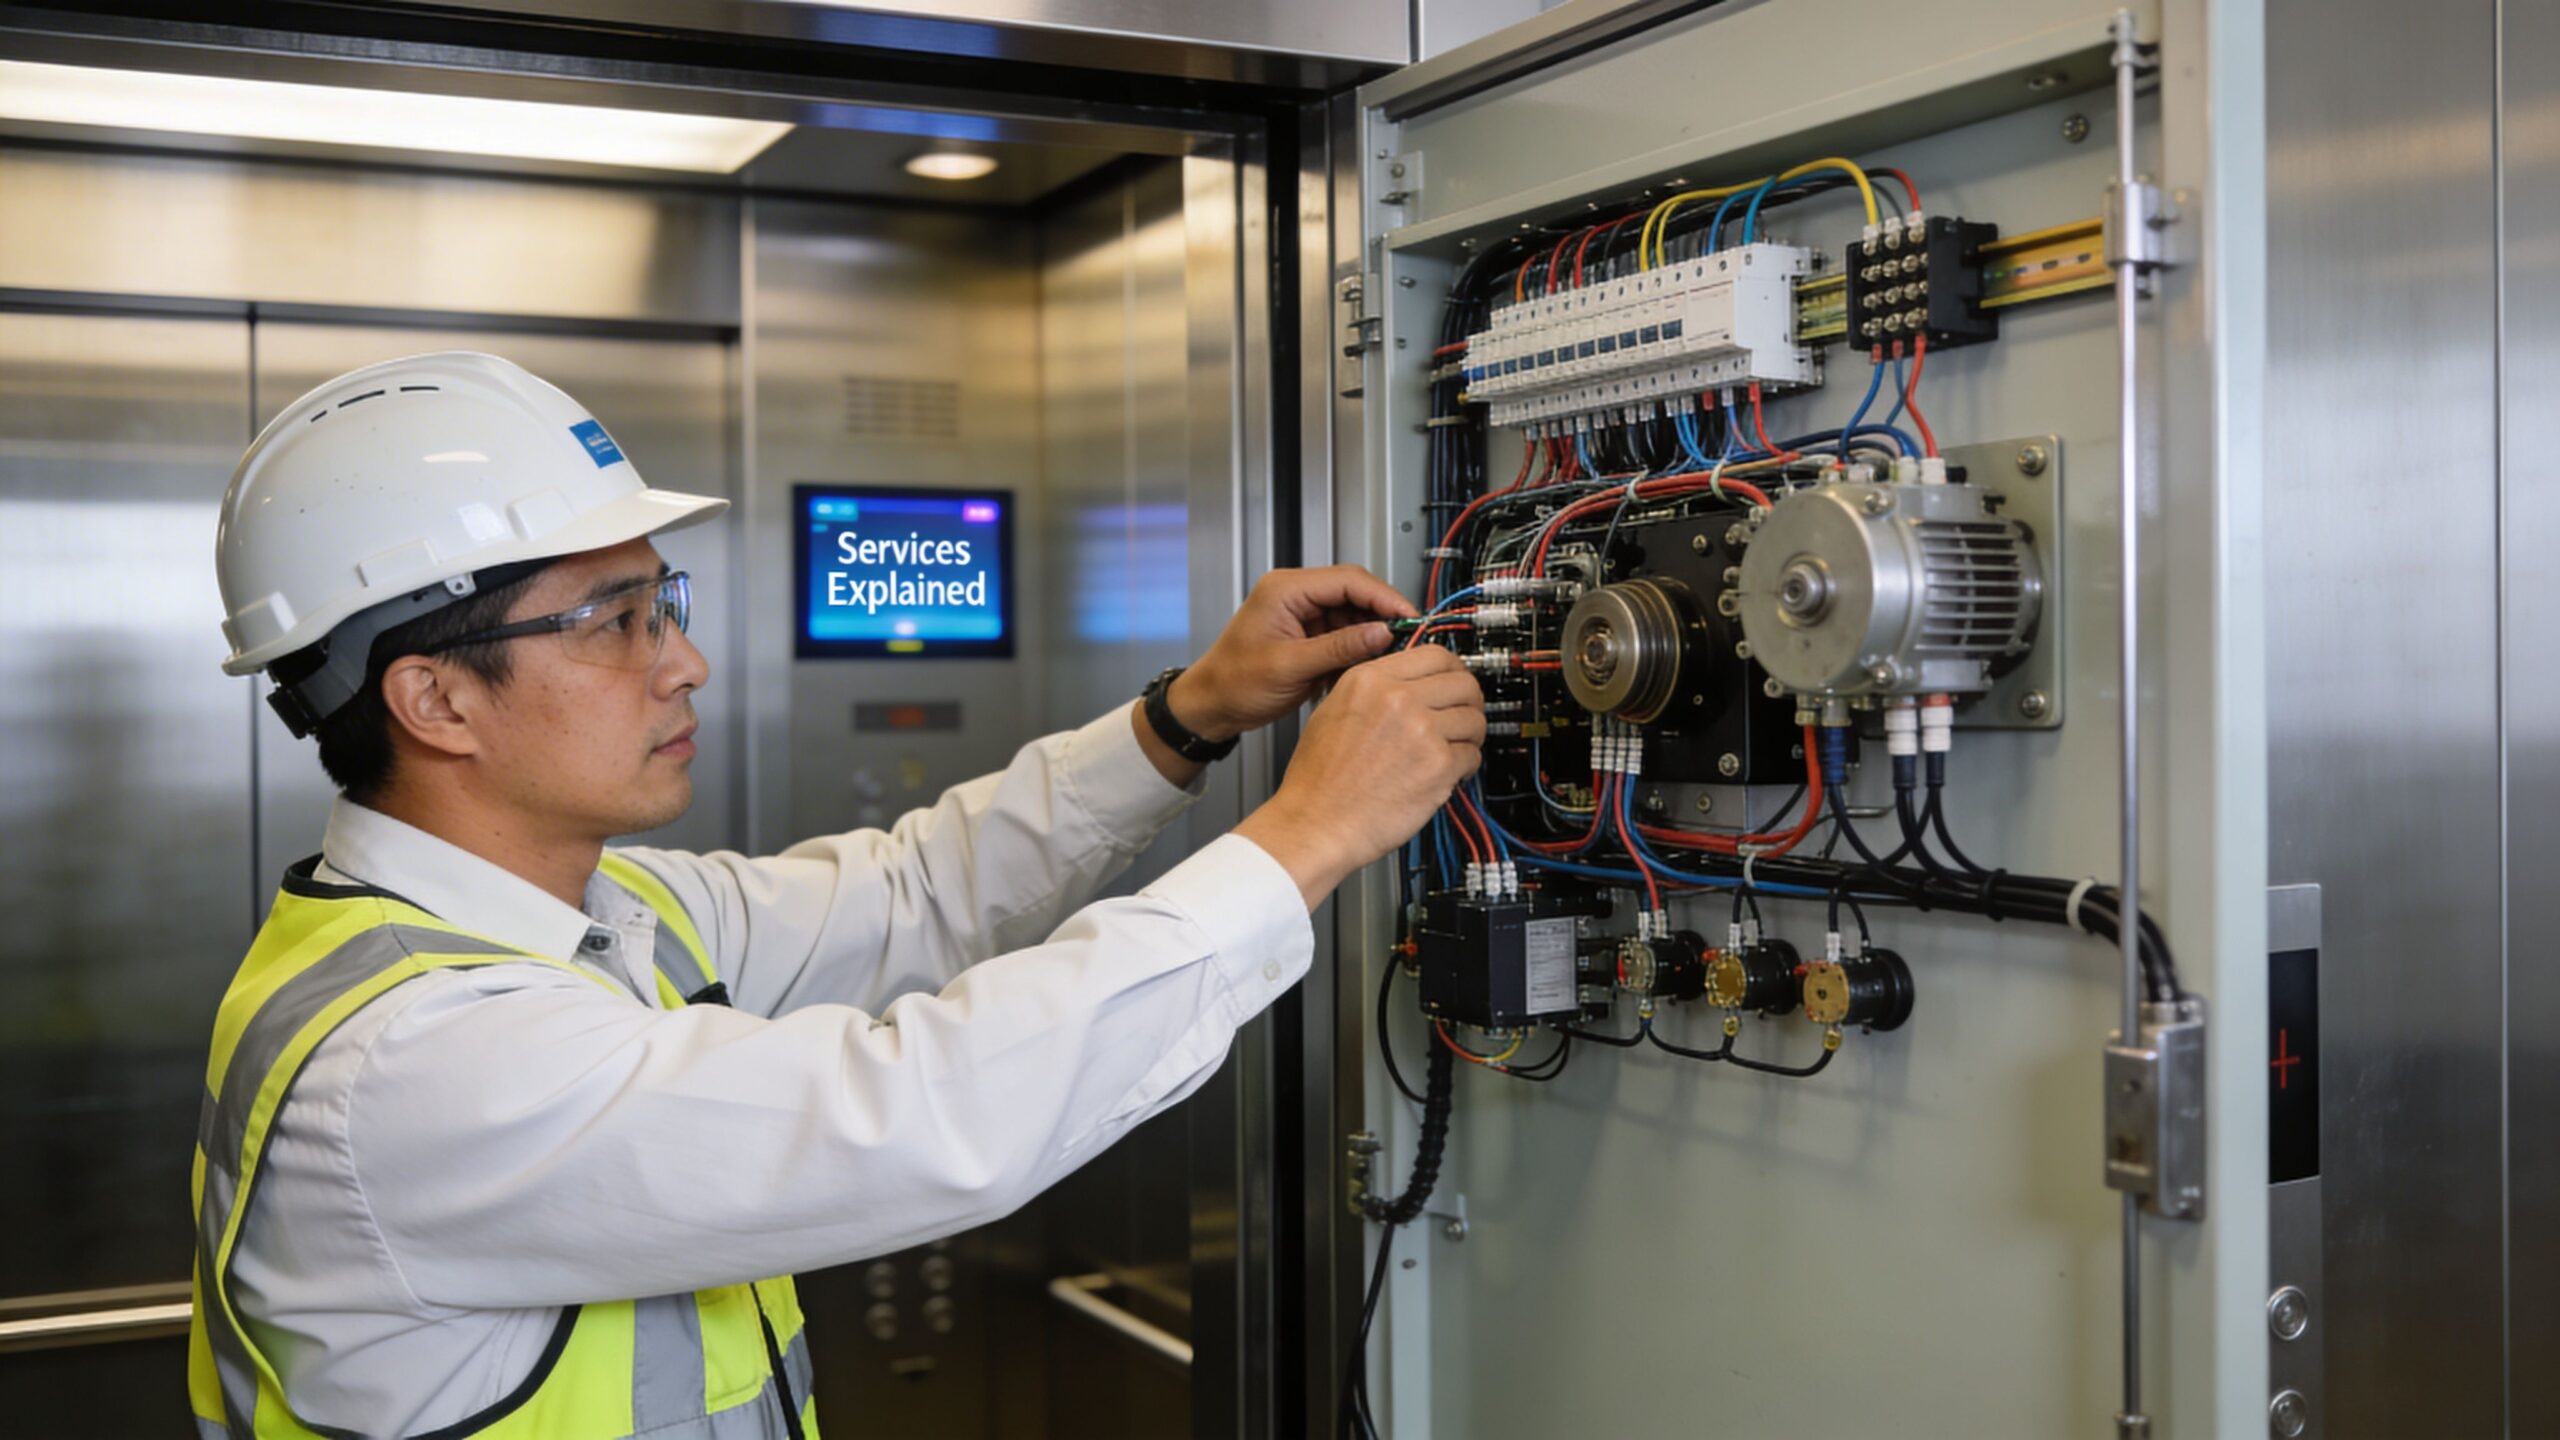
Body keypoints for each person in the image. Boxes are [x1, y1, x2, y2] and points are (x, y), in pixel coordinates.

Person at [188, 351, 1484, 1439]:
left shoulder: (616, 915)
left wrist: (1189, 715)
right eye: (617, 620)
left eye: (665, 604)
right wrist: (1309, 832)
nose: (685, 663)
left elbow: (920, 887)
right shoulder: (415, 1061)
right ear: (436, 699)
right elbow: (914, 1114)